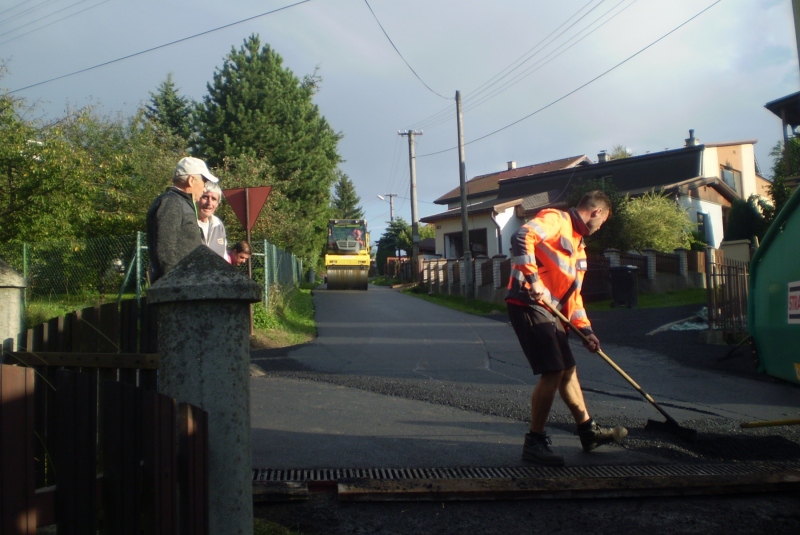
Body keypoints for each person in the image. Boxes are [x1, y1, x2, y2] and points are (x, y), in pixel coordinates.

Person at [505, 190, 627, 466]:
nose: (601, 226)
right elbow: (521, 236)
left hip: (553, 311)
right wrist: (533, 279)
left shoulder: (579, 246)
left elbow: (574, 297)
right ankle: (534, 443)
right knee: (553, 370)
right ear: (597, 212)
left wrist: (586, 330)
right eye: (604, 220)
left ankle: (588, 432)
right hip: (527, 301)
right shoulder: (556, 219)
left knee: (568, 370)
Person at [146, 156, 219, 283]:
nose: (204, 188)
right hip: (176, 290)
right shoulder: (172, 202)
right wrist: (177, 284)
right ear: (191, 180)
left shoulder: (179, 202)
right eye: (204, 182)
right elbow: (165, 250)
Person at [197, 181, 228, 259]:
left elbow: (224, 257)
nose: (209, 202)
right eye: (205, 197)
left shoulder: (218, 225)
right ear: (197, 198)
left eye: (213, 199)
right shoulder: (188, 222)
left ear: (217, 204)